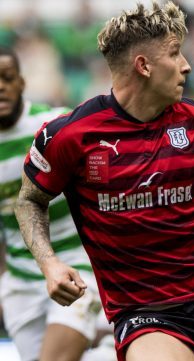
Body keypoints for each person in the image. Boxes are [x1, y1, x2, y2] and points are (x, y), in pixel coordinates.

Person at [14, 2, 194, 361]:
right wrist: (50, 263)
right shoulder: (70, 135)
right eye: (175, 53)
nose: (186, 65)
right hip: (145, 312)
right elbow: (30, 199)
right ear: (144, 65)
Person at [0, 46, 110, 361]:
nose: (0, 86)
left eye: (7, 78)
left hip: (78, 266)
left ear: (21, 83)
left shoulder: (52, 128)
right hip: (21, 284)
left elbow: (102, 176)